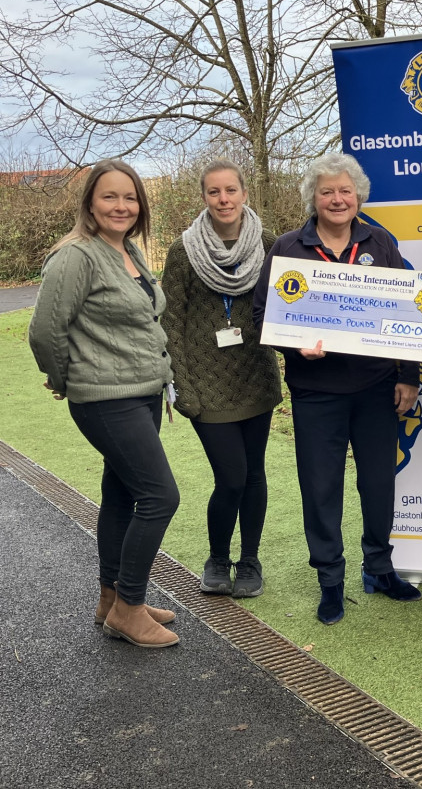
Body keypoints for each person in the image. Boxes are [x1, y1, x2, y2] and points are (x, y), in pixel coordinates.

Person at [252, 153, 420, 625]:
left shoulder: (380, 242)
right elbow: (260, 315)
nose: (337, 199)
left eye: (345, 191)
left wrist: (408, 375)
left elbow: (408, 313)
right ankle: (330, 581)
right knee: (321, 488)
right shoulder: (289, 248)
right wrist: (294, 344)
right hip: (317, 393)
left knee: (377, 483)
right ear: (313, 199)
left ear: (359, 196)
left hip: (375, 388)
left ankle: (380, 569)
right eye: (327, 192)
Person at [28, 159, 179, 649]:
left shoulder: (128, 250)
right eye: (110, 196)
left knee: (122, 494)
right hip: (105, 399)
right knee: (160, 496)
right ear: (90, 202)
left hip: (141, 392)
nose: (121, 206)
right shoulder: (77, 256)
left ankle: (111, 597)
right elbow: (45, 330)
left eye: (130, 197)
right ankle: (130, 610)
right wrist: (62, 376)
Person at [161, 160, 281, 598]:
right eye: (214, 192)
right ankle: (217, 558)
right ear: (204, 197)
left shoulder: (268, 244)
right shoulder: (183, 252)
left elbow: (288, 305)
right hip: (204, 386)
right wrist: (182, 388)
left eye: (231, 190)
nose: (224, 199)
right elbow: (170, 322)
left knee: (253, 476)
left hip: (256, 378)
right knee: (230, 477)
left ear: (245, 194)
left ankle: (249, 561)